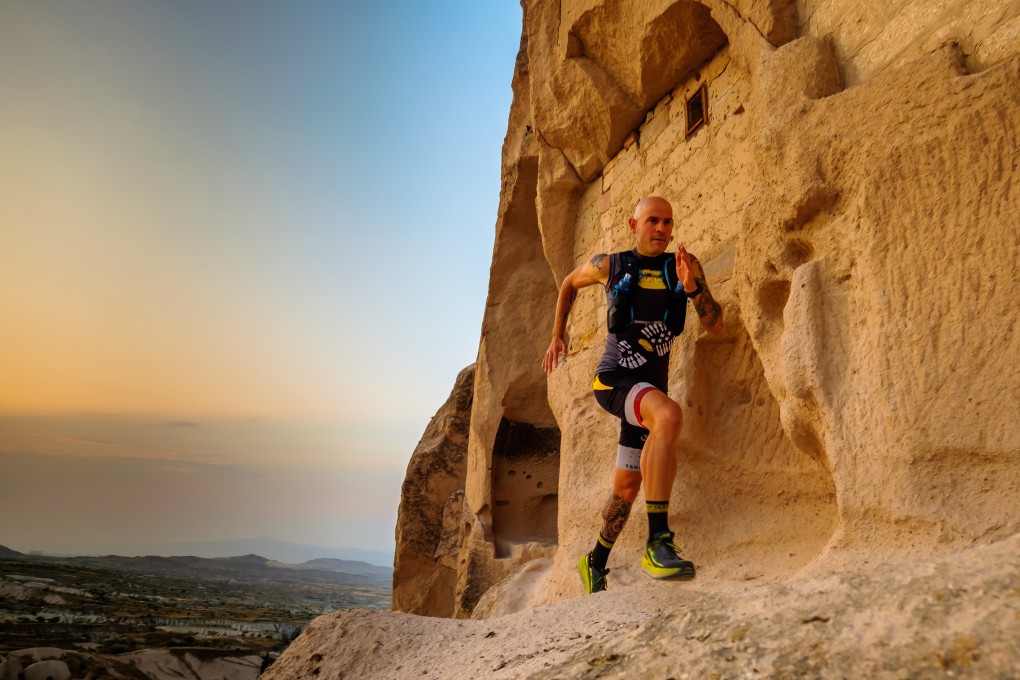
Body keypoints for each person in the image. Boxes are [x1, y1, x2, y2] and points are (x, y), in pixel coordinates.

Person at [542, 195, 723, 594]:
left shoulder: (684, 267)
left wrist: (693, 291)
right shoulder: (611, 264)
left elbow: (715, 324)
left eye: (668, 222)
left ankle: (594, 563)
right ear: (633, 224)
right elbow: (570, 283)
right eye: (653, 221)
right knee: (670, 416)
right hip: (613, 381)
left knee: (626, 487)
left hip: (646, 392)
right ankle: (658, 543)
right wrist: (558, 333)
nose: (661, 228)